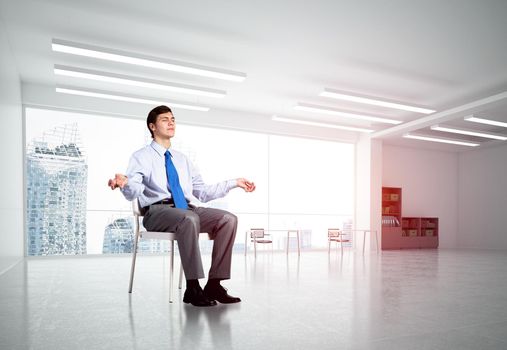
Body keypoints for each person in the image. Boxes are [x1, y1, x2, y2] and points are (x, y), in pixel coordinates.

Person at [108, 105, 255, 307]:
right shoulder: (141, 157)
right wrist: (124, 184)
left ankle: (214, 283)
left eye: (173, 119)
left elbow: (202, 192)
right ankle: (192, 287)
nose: (171, 122)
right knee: (189, 218)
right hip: (158, 212)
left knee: (228, 219)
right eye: (164, 119)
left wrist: (233, 183)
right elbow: (134, 190)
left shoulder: (182, 159)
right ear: (152, 126)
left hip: (186, 210)